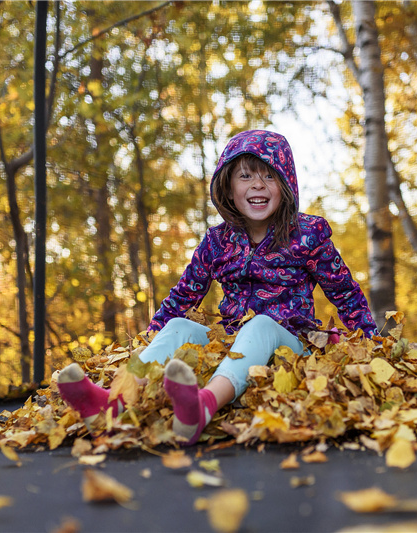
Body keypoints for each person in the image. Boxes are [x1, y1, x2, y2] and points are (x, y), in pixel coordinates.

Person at [57, 129, 377, 445]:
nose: (257, 185)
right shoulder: (217, 242)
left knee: (261, 324)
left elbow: (345, 292)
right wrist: (151, 336)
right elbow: (182, 296)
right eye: (246, 176)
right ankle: (113, 405)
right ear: (229, 187)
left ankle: (204, 406)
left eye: (269, 176)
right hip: (234, 346)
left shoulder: (307, 235)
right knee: (178, 326)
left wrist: (370, 345)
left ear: (286, 186)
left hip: (289, 350)